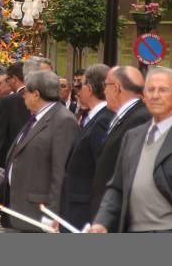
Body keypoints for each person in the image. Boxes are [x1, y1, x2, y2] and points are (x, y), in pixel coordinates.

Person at [91, 67, 172, 233]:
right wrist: (102, 222)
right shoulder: (132, 136)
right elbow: (117, 187)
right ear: (144, 96)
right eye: (150, 90)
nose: (155, 95)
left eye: (163, 90)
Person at [0, 70, 78, 232]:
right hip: (18, 211)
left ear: (36, 94)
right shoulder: (36, 118)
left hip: (38, 215)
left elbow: (60, 174)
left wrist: (52, 214)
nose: (23, 96)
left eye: (26, 92)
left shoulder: (63, 121)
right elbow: (18, 159)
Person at [90, 66, 150, 219]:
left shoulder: (139, 118)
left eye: (106, 86)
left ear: (116, 88)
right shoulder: (125, 116)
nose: (104, 92)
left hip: (118, 215)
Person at [58, 64, 114, 230]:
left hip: (86, 212)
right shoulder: (93, 118)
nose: (77, 91)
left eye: (79, 86)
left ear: (89, 88)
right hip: (75, 208)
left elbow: (102, 170)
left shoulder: (103, 120)